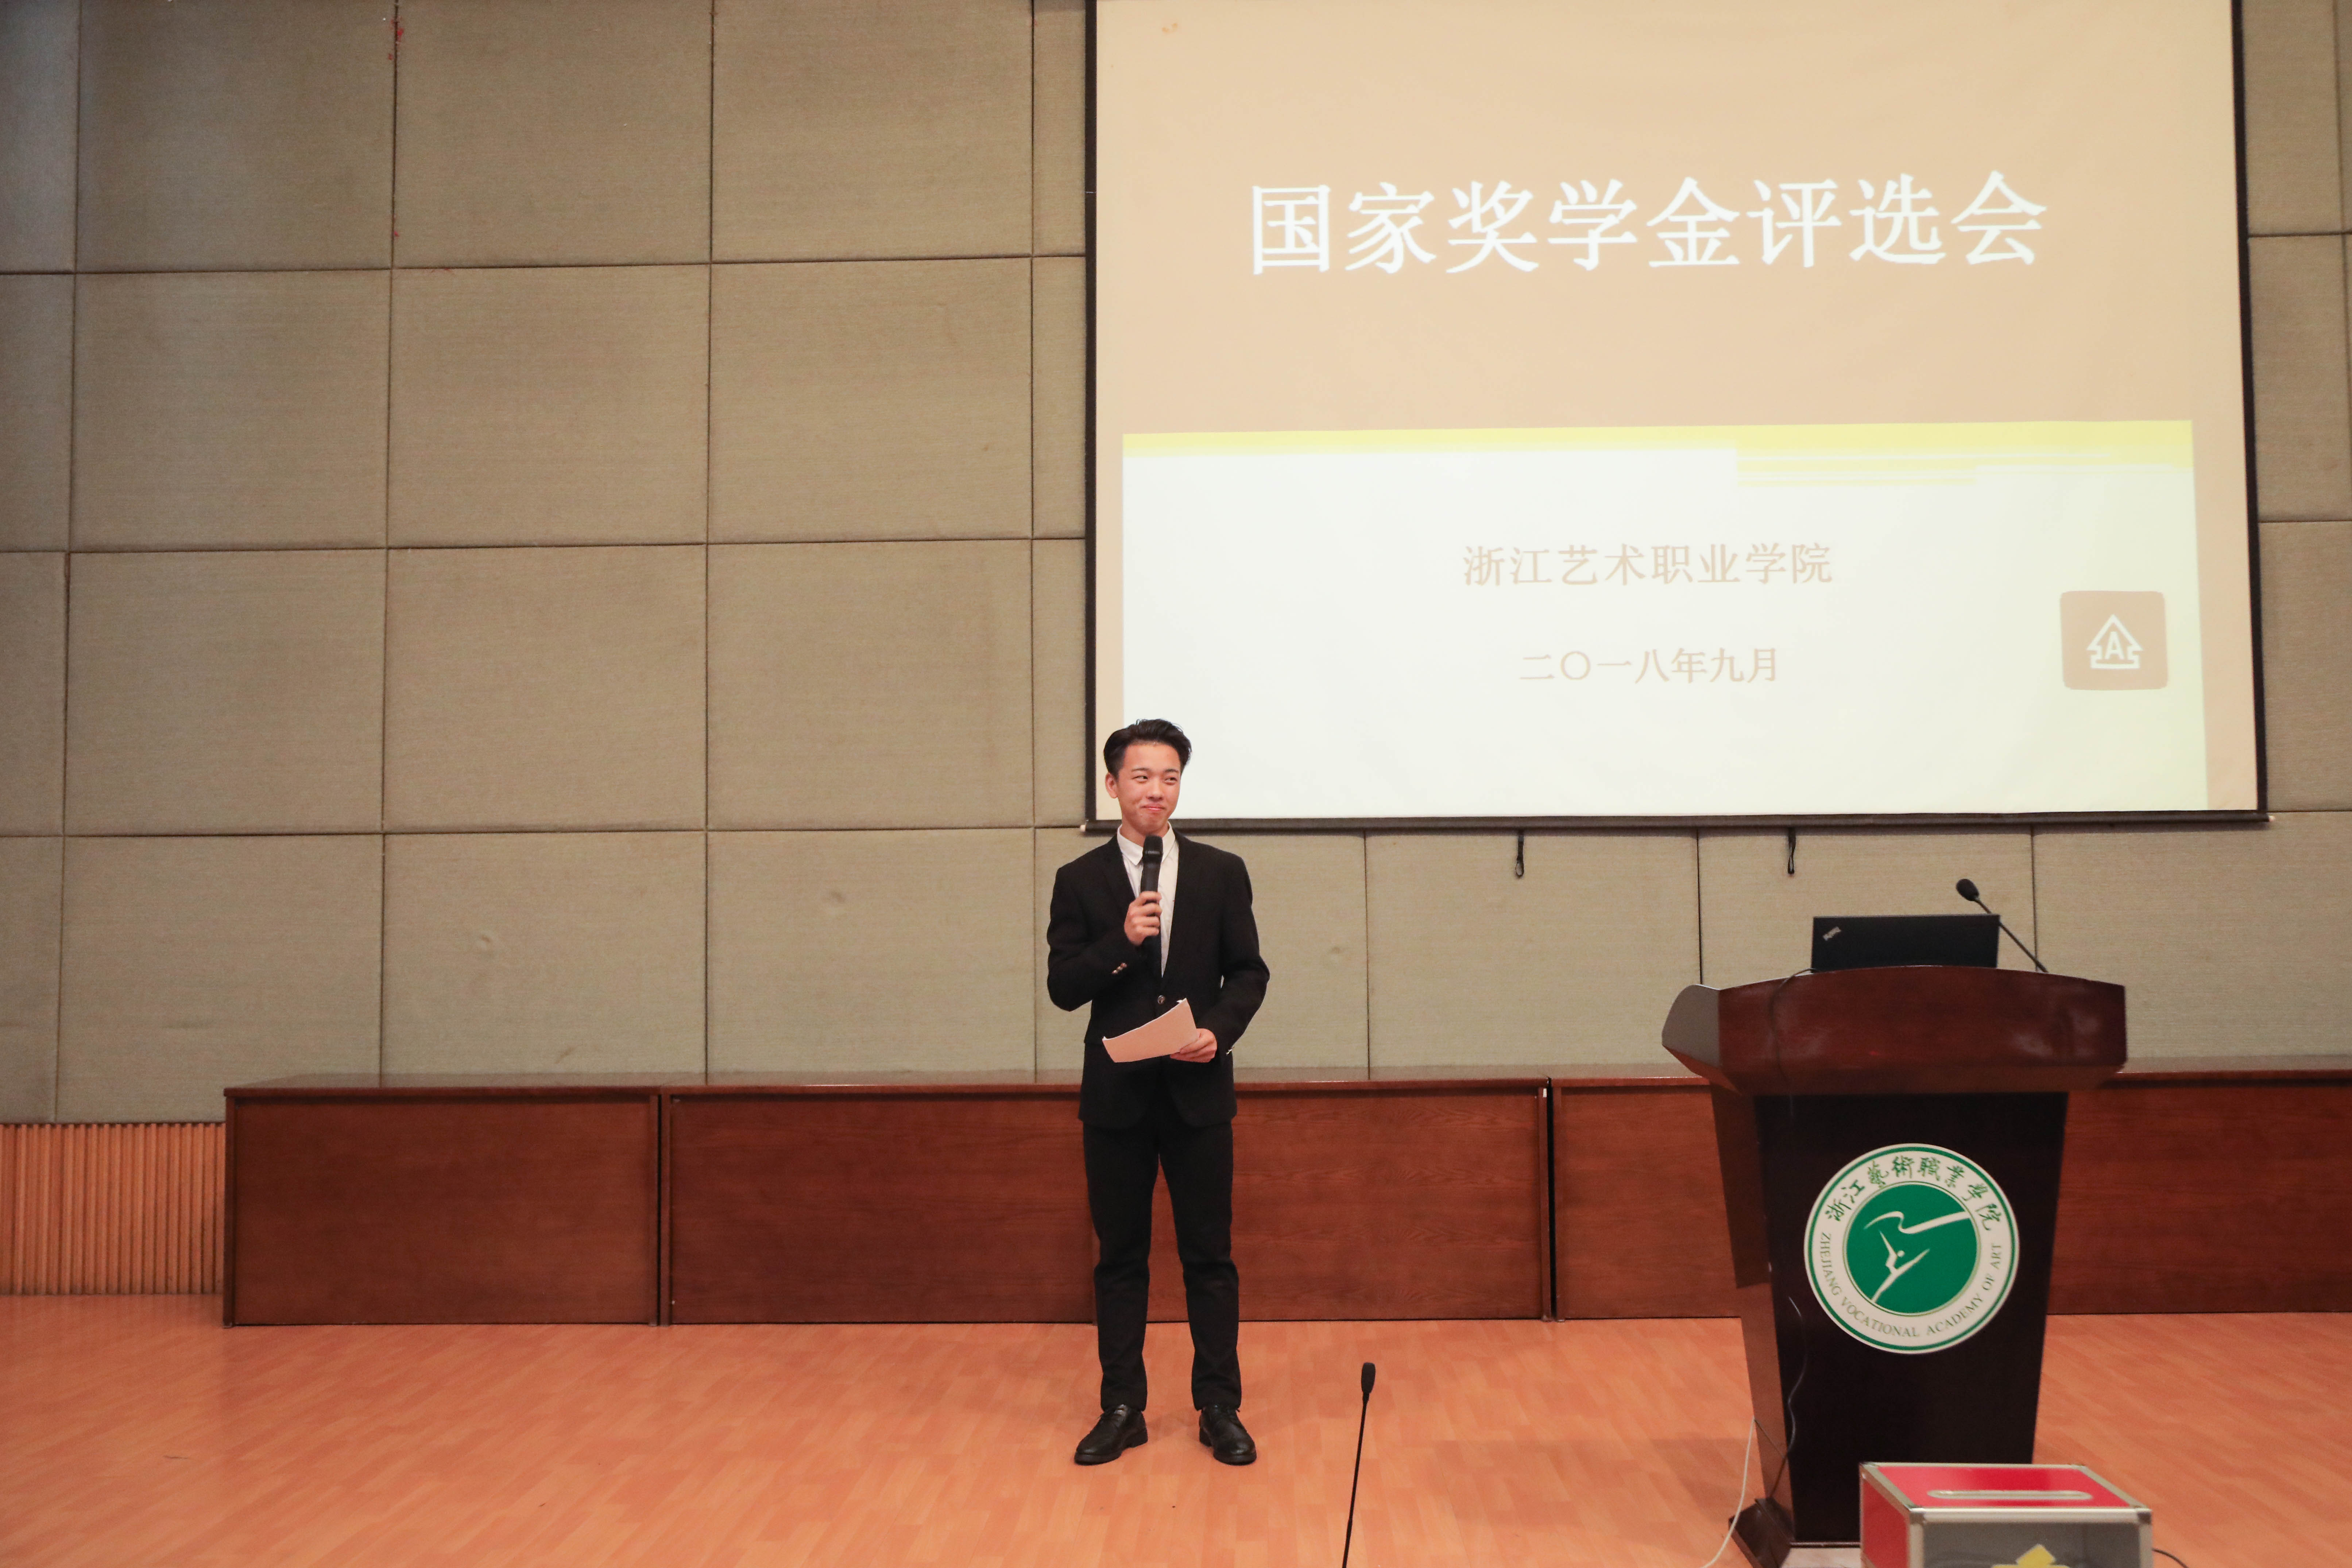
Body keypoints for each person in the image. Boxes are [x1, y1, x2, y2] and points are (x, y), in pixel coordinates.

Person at [1047, 719, 1270, 1467]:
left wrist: (1218, 1030)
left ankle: (1219, 1406)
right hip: (1117, 1097)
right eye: (1142, 777)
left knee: (1210, 1256)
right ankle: (1122, 1407)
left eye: (1169, 777)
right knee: (1120, 1257)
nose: (1157, 791)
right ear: (1113, 785)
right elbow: (1062, 987)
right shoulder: (1079, 880)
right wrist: (1122, 943)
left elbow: (1248, 971)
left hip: (1197, 1090)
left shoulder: (1219, 871)